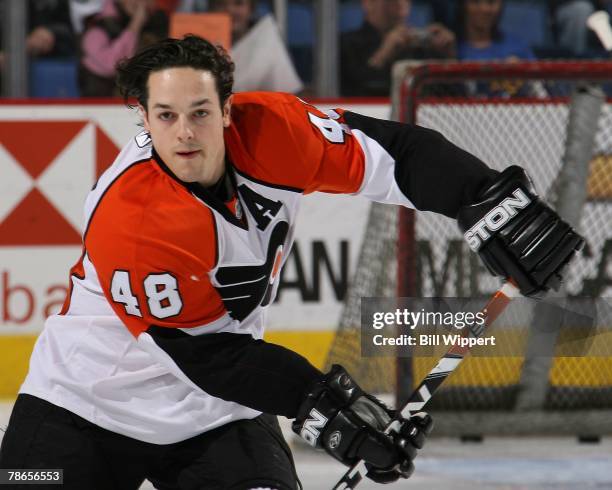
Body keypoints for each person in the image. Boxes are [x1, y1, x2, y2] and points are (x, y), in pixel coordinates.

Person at [0, 35, 582, 489]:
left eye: (201, 112)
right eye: (166, 116)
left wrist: (484, 200)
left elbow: (398, 155)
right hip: (81, 409)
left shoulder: (277, 130)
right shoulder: (133, 215)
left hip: (216, 418)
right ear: (145, 120)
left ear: (228, 109)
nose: (185, 133)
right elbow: (208, 355)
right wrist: (332, 412)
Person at [180, 0, 303, 93]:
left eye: (238, 3)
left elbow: (288, 92)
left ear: (251, 8)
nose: (229, 10)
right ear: (210, 10)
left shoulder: (266, 42)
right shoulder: (192, 44)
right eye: (220, 4)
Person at [340, 0, 456, 97]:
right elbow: (350, 97)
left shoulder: (421, 47)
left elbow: (456, 98)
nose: (400, 3)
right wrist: (382, 55)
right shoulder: (346, 44)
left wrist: (449, 59)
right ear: (368, 3)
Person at [79, 0, 168, 96]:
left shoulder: (159, 22)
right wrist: (136, 24)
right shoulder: (98, 28)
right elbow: (113, 63)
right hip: (100, 96)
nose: (141, 4)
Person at [455, 0, 535, 62]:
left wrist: (520, 73)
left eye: (491, 2)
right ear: (463, 5)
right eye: (476, 1)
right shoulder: (452, 47)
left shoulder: (518, 47)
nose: (484, 9)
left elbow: (538, 80)